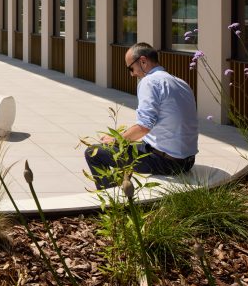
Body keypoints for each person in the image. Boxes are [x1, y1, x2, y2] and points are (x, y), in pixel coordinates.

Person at [85, 42, 198, 189]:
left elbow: (144, 127)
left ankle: (113, 204)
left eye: (130, 68)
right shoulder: (180, 82)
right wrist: (120, 139)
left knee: (94, 153)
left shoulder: (149, 81)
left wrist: (115, 140)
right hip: (187, 160)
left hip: (168, 163)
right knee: (124, 143)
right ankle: (123, 188)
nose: (132, 74)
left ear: (143, 61)